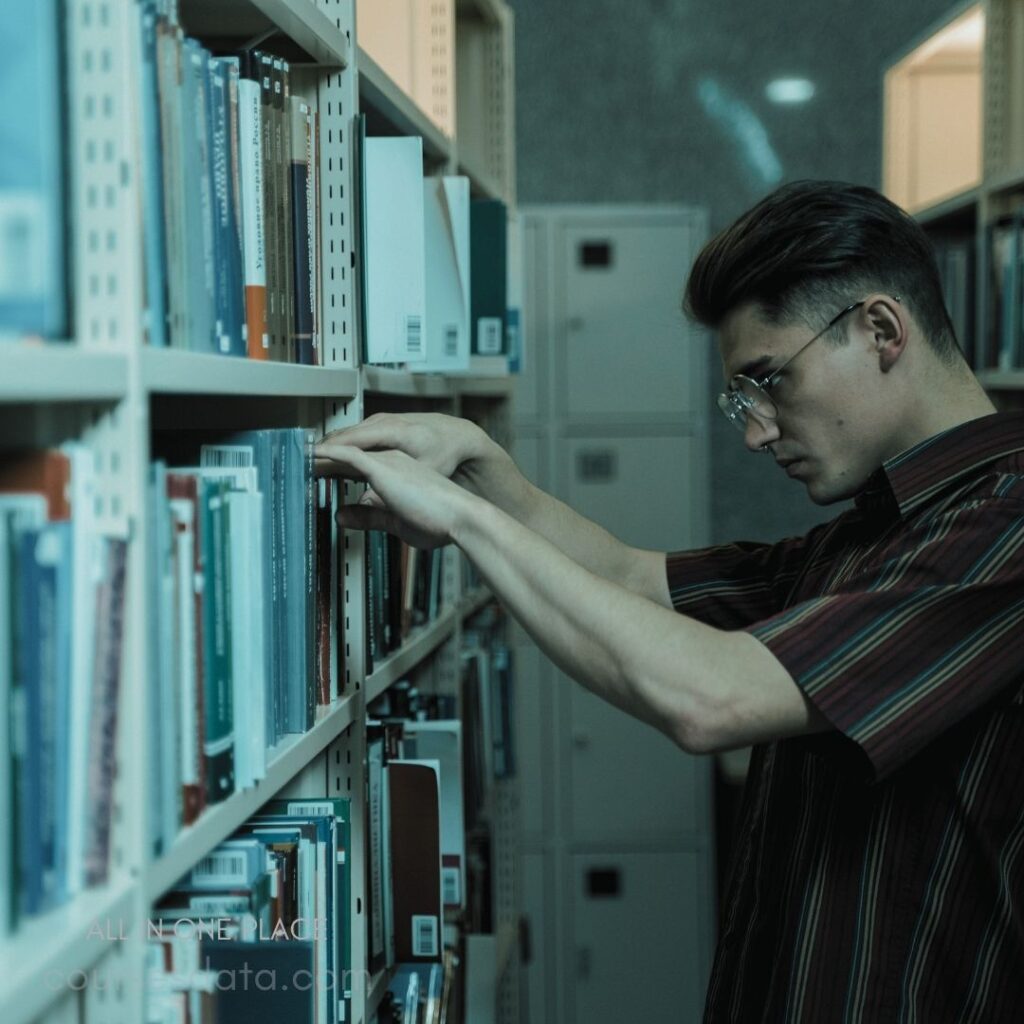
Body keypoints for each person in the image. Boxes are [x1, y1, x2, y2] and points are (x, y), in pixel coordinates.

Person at [315, 180, 1024, 1022]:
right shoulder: (866, 535)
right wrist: (484, 471)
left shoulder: (1005, 529)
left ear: (880, 331)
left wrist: (465, 523)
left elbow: (711, 697)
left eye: (770, 381)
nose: (757, 431)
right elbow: (626, 579)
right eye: (741, 399)